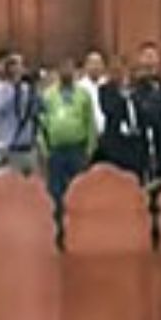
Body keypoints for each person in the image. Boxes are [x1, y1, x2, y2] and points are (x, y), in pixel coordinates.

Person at [39, 59, 98, 212]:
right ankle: (58, 227)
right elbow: (41, 124)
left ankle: (80, 225)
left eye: (70, 69)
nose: (67, 72)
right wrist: (45, 150)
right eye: (63, 69)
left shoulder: (83, 94)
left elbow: (90, 122)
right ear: (58, 72)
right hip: (56, 151)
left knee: (80, 190)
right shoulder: (48, 95)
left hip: (77, 150)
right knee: (56, 192)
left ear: (75, 72)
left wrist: (90, 149)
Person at [97, 57, 151, 181]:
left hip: (136, 144)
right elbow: (110, 109)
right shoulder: (105, 90)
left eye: (121, 70)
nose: (119, 73)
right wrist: (124, 96)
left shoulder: (137, 90)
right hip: (116, 145)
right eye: (115, 70)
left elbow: (144, 112)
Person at [0, 54, 40, 176]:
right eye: (14, 66)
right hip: (11, 147)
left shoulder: (27, 89)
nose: (19, 69)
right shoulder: (3, 89)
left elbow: (37, 109)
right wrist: (14, 86)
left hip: (28, 147)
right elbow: (0, 106)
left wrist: (34, 86)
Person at [80, 49, 109, 134]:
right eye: (92, 63)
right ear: (86, 65)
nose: (95, 66)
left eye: (98, 63)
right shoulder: (80, 87)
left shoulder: (107, 84)